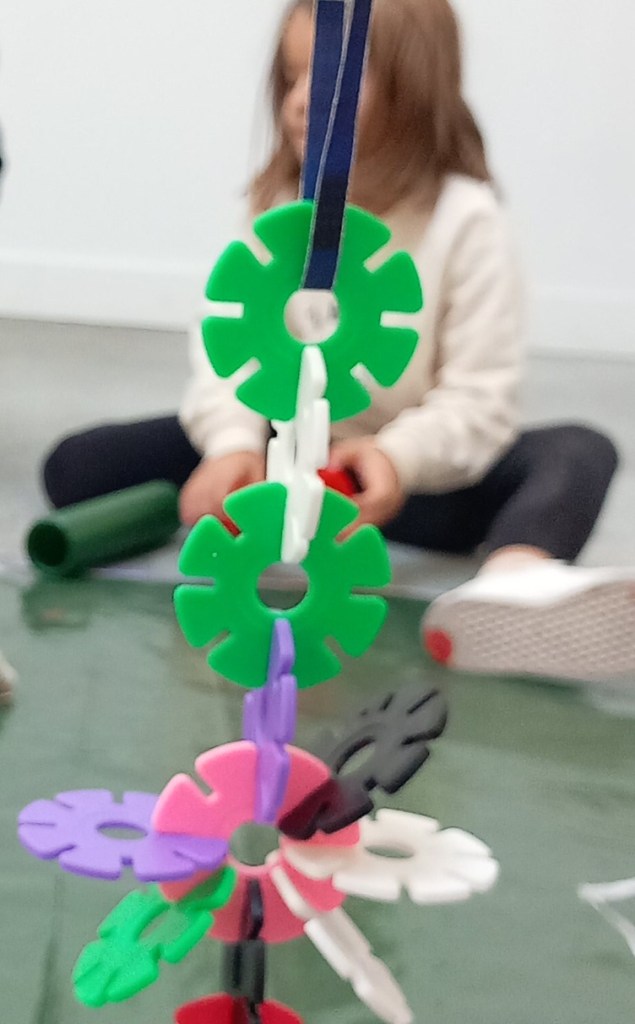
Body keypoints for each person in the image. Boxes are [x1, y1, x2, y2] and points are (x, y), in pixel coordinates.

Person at [42, 0, 632, 684]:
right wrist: (231, 447)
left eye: (323, 82)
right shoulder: (278, 207)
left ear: (412, 91)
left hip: (395, 486)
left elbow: (479, 399)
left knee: (577, 452)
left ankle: (512, 584)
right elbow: (230, 358)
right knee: (79, 465)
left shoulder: (466, 220)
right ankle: (232, 507)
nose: (298, 103)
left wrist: (397, 458)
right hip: (279, 460)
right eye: (291, 80)